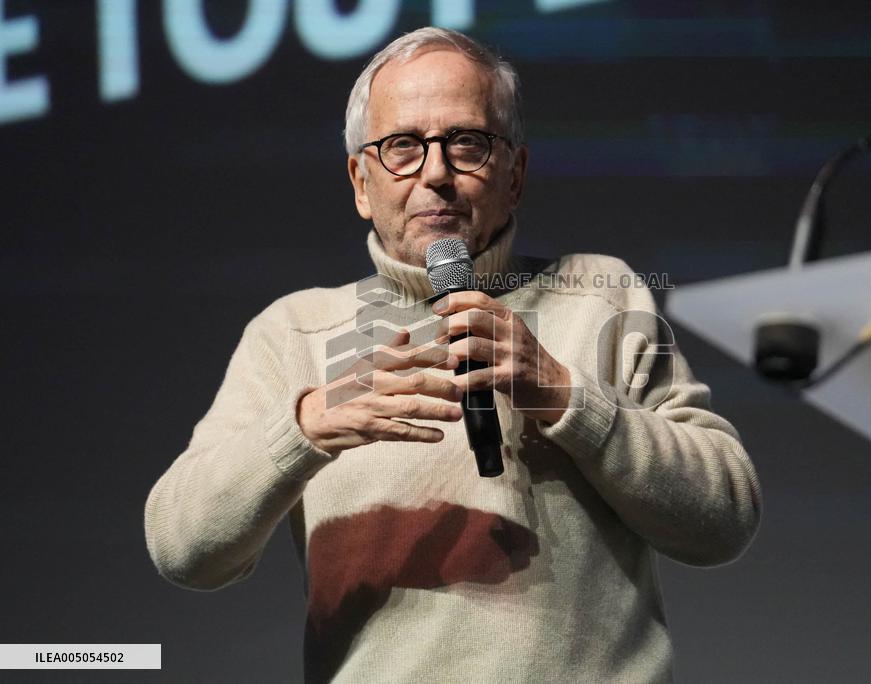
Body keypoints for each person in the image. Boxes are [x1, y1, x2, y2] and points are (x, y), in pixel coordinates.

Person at [144, 26, 762, 683]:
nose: (435, 173)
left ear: (515, 174)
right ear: (360, 181)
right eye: (402, 147)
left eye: (466, 143)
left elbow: (723, 521)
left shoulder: (599, 295)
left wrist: (565, 396)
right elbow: (183, 549)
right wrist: (305, 428)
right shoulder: (295, 331)